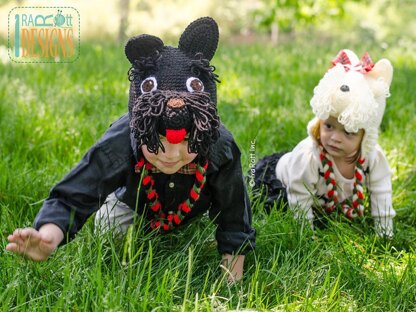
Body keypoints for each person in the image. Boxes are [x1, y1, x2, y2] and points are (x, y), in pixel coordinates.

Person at [6, 17, 255, 282]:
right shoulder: (122, 139)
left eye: (185, 144)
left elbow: (234, 209)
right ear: (139, 129)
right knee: (109, 233)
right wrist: (48, 236)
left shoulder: (220, 145)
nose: (171, 156)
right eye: (156, 144)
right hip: (134, 203)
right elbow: (78, 191)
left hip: (191, 207)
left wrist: (232, 281)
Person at [253, 49, 395, 237]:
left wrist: (384, 233)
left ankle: (325, 206)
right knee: (276, 208)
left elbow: (381, 191)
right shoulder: (309, 156)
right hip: (279, 182)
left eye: (349, 132)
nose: (335, 137)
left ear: (365, 136)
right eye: (328, 126)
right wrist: (306, 236)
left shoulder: (373, 157)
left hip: (318, 193)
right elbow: (299, 197)